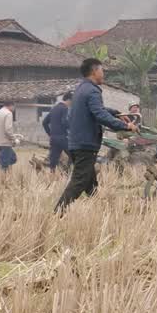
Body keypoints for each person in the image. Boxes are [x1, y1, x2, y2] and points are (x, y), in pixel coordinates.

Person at [56, 58, 138, 213]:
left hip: (76, 143)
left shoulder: (81, 89)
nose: (103, 74)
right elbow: (99, 114)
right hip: (85, 144)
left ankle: (99, 210)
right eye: (102, 70)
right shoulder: (93, 91)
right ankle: (58, 212)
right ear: (94, 71)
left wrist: (116, 113)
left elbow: (95, 109)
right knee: (79, 181)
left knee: (90, 180)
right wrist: (125, 125)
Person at [42, 91, 72, 171]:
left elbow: (44, 122)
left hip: (53, 139)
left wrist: (50, 134)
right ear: (69, 100)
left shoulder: (54, 108)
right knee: (73, 155)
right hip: (62, 138)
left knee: (53, 160)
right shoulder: (64, 108)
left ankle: (52, 176)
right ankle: (67, 172)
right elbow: (64, 121)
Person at [0, 102, 18, 171]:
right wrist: (14, 139)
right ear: (11, 106)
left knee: (12, 158)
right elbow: (8, 129)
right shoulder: (8, 113)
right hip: (5, 142)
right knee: (5, 163)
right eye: (14, 107)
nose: (14, 109)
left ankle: (3, 168)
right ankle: (3, 176)